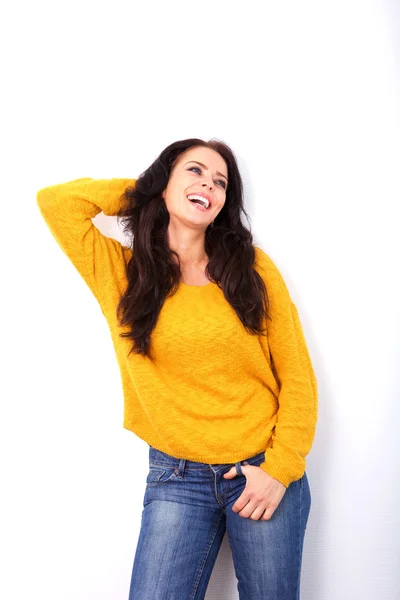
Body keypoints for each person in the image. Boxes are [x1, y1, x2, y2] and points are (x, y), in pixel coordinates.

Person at [36, 137, 318, 599]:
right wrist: (150, 188)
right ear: (165, 181)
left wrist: (281, 467)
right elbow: (56, 203)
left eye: (220, 182)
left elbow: (297, 374)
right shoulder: (122, 273)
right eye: (194, 171)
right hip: (176, 476)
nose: (209, 184)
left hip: (262, 467)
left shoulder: (251, 268)